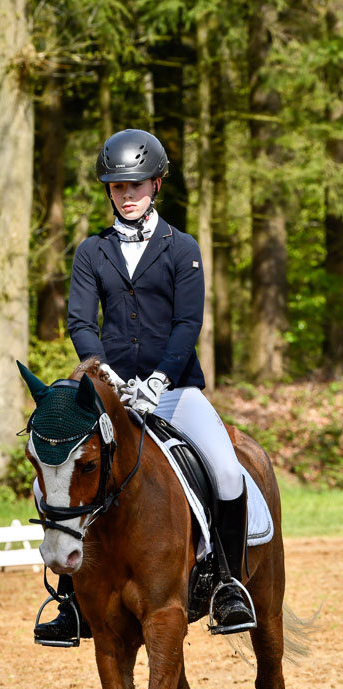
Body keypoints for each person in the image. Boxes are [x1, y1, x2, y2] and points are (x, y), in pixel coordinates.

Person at [34, 128, 255, 643]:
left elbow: (188, 322)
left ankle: (226, 585)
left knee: (225, 471)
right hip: (109, 393)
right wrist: (106, 377)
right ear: (108, 191)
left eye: (135, 185)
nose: (127, 195)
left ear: (156, 184)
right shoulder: (92, 251)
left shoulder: (182, 248)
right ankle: (70, 601)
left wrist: (159, 379)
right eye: (117, 187)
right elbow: (81, 323)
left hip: (175, 390)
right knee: (61, 475)